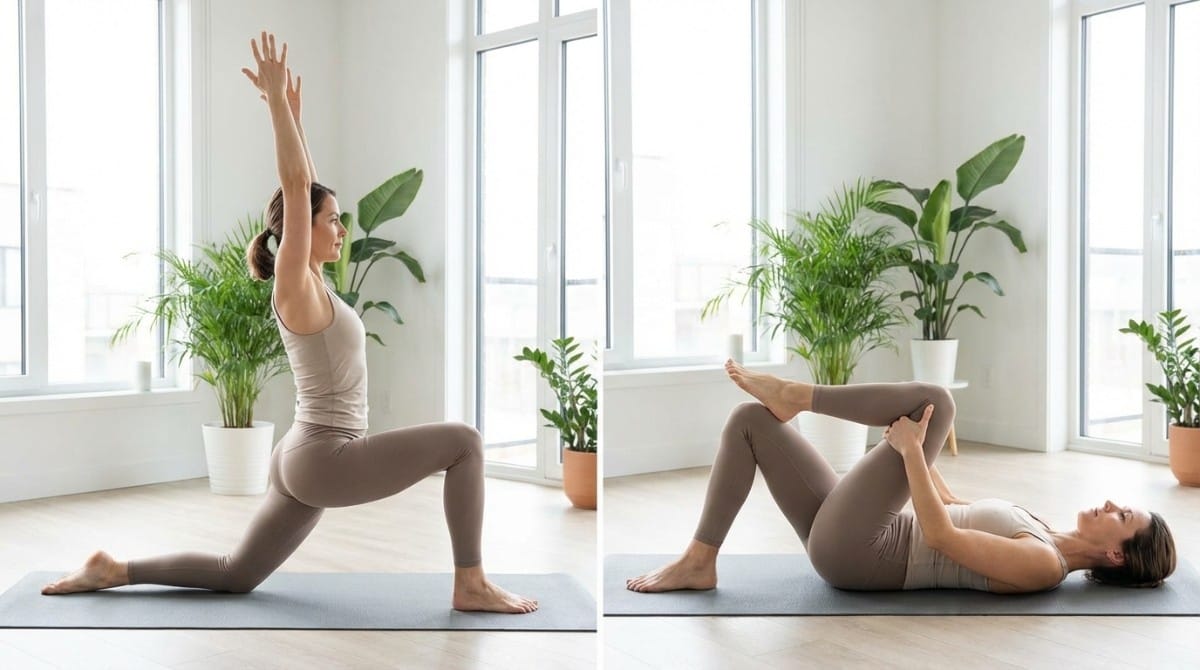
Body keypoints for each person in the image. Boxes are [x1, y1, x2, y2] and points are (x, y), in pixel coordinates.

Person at [40, 32, 538, 614]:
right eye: (332, 221)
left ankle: (115, 568)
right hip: (327, 457)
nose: (342, 228)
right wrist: (276, 104)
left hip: (301, 455)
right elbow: (300, 190)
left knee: (237, 574)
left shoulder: (314, 283)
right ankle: (471, 582)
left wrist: (296, 119)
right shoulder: (294, 284)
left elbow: (308, 187)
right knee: (466, 443)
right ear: (302, 231)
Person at [627, 360, 1176, 594]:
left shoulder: (1044, 565)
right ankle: (700, 561)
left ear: (1117, 556)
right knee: (750, 421)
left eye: (1122, 515)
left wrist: (912, 452)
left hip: (862, 553)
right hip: (863, 528)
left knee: (934, 400)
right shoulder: (1043, 528)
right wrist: (916, 450)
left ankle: (799, 396)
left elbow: (940, 537)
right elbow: (954, 505)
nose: (1110, 503)